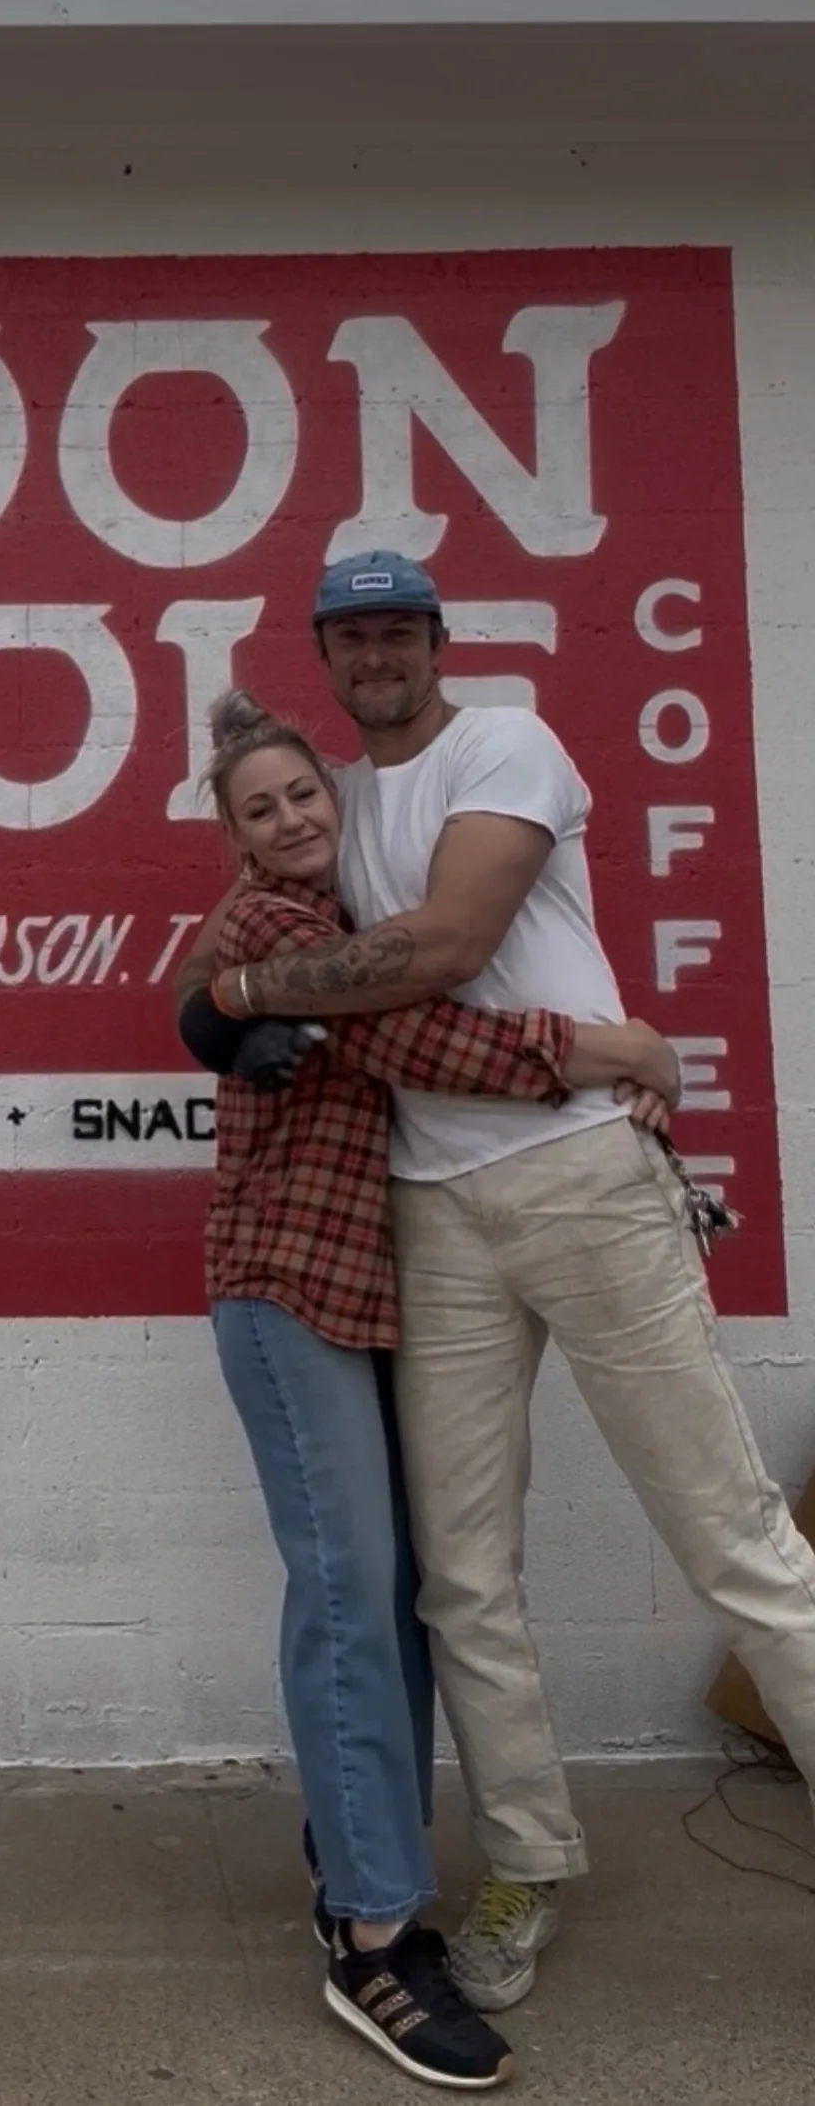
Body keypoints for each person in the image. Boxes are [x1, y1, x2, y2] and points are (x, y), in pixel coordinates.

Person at [177, 550, 815, 2015]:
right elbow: (235, 942)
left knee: (736, 1546)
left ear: (437, 641)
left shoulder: (501, 742)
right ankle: (526, 1859)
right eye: (354, 634)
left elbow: (444, 947)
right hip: (428, 1209)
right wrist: (216, 996)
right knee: (461, 1579)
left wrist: (253, 999)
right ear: (326, 653)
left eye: (401, 628)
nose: (379, 653)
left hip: (580, 1169)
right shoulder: (325, 810)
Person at [187, 686, 677, 2088]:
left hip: (366, 1289)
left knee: (391, 1581)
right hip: (287, 1289)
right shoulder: (282, 931)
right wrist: (613, 1048)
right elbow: (420, 1043)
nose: (290, 818)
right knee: (350, 1585)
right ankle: (371, 1931)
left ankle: (355, 1844)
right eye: (259, 806)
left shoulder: (347, 927)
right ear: (231, 838)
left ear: (334, 805)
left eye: (303, 795)